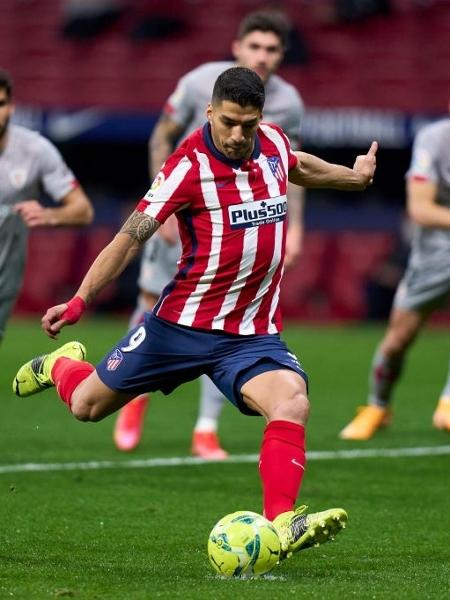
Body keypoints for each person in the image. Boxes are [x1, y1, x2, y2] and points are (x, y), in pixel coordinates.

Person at [13, 67, 377, 559]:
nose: (237, 135)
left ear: (261, 119)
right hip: (177, 328)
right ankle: (60, 364)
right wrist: (80, 300)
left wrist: (354, 177)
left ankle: (284, 522)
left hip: (250, 334)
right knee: (87, 407)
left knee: (292, 403)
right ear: (210, 112)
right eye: (228, 122)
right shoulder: (186, 167)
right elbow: (129, 237)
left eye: (247, 124)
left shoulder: (270, 142)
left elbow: (300, 166)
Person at [114, 9, 307, 457]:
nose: (262, 56)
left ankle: (205, 427)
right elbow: (160, 136)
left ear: (282, 55)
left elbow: (292, 168)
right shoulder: (199, 81)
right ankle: (131, 395)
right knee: (149, 303)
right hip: (187, 214)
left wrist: (293, 229)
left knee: (233, 322)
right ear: (237, 47)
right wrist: (161, 209)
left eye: (272, 49)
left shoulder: (290, 104)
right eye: (254, 46)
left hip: (244, 224)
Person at [340, 111, 450, 440]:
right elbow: (420, 208)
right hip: (434, 256)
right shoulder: (435, 139)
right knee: (398, 339)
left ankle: (447, 403)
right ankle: (377, 406)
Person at [0, 68, 94, 343]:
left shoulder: (35, 150)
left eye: (1, 104)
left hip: (4, 279)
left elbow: (83, 210)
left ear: (12, 107)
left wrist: (49, 214)